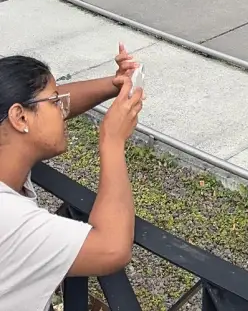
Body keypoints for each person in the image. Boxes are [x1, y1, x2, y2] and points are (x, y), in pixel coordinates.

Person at [1, 47, 144, 309]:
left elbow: (37, 103)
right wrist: (112, 141)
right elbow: (111, 248)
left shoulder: (8, 156)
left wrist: (113, 85)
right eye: (56, 103)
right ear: (20, 117)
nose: (64, 109)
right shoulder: (10, 218)